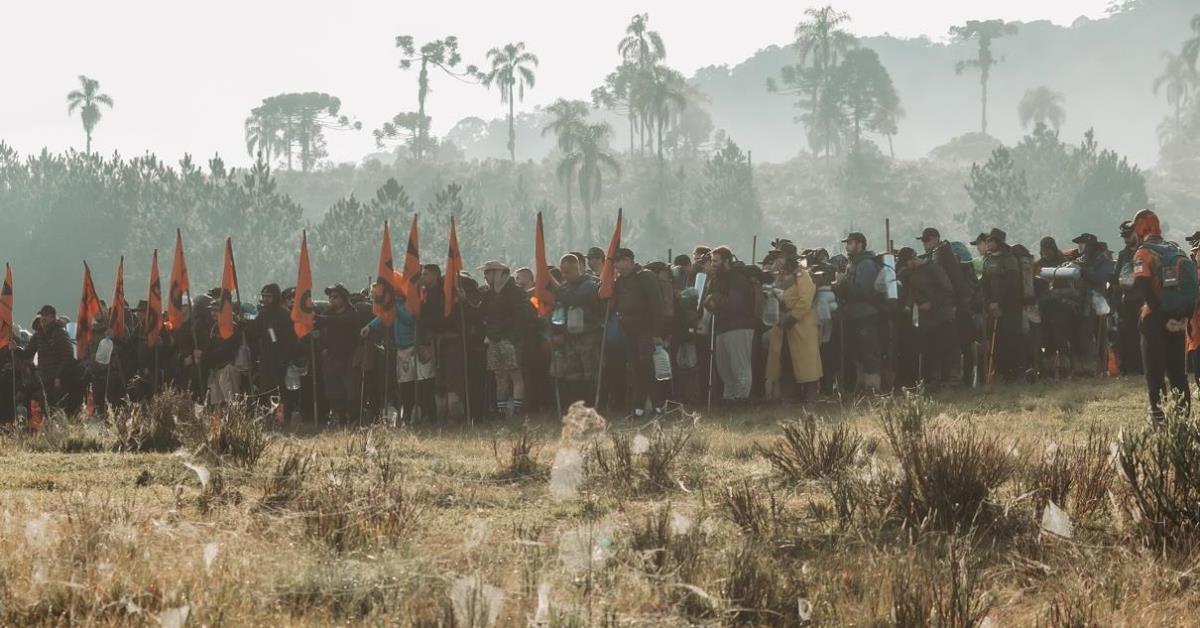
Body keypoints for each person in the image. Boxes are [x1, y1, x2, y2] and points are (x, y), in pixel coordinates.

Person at [1130, 209, 1195, 421]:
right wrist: (1181, 315)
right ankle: (1183, 420)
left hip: (1154, 320)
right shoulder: (1174, 249)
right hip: (1179, 319)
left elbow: (1143, 287)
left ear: (1141, 228)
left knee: (1155, 375)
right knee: (1178, 375)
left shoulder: (1143, 253)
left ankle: (1159, 419)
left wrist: (1160, 314)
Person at [362, 286, 434, 423]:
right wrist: (370, 326)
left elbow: (411, 320)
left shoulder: (411, 302)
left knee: (423, 384)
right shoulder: (392, 305)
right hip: (402, 350)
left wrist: (395, 308)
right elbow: (383, 317)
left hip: (417, 347)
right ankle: (407, 414)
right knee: (405, 385)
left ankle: (426, 415)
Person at [764, 245, 822, 402]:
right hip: (783, 324)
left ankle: (810, 399)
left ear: (789, 258)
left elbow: (805, 300)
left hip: (801, 324)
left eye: (781, 257)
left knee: (807, 364)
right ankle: (788, 399)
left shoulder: (802, 274)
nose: (778, 261)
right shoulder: (781, 277)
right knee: (785, 362)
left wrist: (792, 318)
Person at [613, 248, 665, 415]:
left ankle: (657, 404)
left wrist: (656, 332)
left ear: (628, 260)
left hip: (645, 328)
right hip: (628, 330)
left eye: (618, 261)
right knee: (635, 369)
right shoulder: (619, 281)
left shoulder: (645, 276)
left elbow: (657, 305)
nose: (615, 265)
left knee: (646, 366)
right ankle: (639, 406)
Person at [479, 261, 533, 417]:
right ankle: (501, 411)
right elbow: (480, 313)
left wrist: (512, 338)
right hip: (494, 340)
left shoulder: (515, 292)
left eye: (488, 272)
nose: (485, 276)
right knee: (499, 377)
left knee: (515, 375)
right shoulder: (489, 294)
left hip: (510, 340)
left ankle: (517, 410)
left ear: (499, 273)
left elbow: (522, 317)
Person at [897, 247, 957, 389]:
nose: (906, 267)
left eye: (907, 263)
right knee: (929, 350)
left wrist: (932, 303)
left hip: (941, 315)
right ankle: (932, 381)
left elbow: (948, 291)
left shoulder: (933, 269)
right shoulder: (909, 273)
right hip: (925, 319)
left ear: (912, 259)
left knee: (942, 349)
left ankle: (946, 381)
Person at [704, 245, 757, 403]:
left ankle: (741, 399)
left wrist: (716, 299)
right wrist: (712, 300)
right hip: (722, 327)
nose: (713, 264)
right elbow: (707, 301)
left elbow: (735, 304)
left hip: (739, 326)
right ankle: (729, 398)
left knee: (740, 366)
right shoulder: (715, 280)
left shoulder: (738, 278)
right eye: (712, 261)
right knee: (724, 367)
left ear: (726, 261)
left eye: (716, 261)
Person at [550, 253, 602, 407]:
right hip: (570, 337)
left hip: (588, 336)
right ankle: (575, 407)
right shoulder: (565, 287)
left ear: (576, 268)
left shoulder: (589, 284)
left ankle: (591, 406)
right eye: (562, 271)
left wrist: (554, 284)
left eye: (567, 271)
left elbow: (573, 299)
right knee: (572, 374)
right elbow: (559, 310)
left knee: (589, 373)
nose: (564, 275)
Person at [920, 227, 971, 381]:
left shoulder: (945, 254)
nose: (924, 243)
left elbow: (954, 280)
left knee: (951, 342)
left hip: (948, 306)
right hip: (939, 306)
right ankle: (944, 377)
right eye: (923, 240)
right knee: (941, 342)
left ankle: (954, 376)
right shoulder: (934, 254)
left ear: (936, 239)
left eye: (927, 240)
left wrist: (953, 303)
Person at [835, 232, 882, 393]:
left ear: (859, 244)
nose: (847, 246)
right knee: (857, 353)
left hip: (865, 315)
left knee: (868, 352)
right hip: (854, 315)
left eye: (850, 243)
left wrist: (844, 283)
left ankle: (872, 388)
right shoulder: (854, 263)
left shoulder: (866, 264)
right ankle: (861, 386)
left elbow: (863, 291)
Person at [981, 228, 1025, 383]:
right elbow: (985, 284)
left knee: (1010, 338)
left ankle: (1013, 373)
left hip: (1010, 306)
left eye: (990, 241)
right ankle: (999, 372)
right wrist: (990, 304)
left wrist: (1000, 304)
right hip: (992, 307)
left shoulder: (1010, 259)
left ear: (998, 242)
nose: (987, 243)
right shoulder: (988, 260)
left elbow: (1011, 285)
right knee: (996, 340)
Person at [318, 283, 362, 424]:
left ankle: (353, 420)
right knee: (333, 391)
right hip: (331, 357)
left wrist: (320, 318)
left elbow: (341, 321)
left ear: (343, 298)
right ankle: (339, 418)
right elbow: (320, 332)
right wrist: (323, 347)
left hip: (349, 357)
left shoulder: (352, 313)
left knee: (351, 391)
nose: (332, 300)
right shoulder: (327, 313)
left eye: (335, 297)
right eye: (330, 297)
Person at [252, 283, 296, 413]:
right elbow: (254, 332)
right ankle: (266, 416)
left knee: (281, 392)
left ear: (275, 297)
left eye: (268, 296)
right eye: (263, 296)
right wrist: (245, 326)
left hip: (281, 359)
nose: (265, 299)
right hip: (266, 359)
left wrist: (285, 358)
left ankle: (282, 417)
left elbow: (290, 340)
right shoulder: (263, 314)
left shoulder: (284, 315)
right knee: (265, 390)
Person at [24, 305, 78, 411]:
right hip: (44, 381)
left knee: (58, 411)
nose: (43, 318)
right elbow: (27, 353)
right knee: (46, 411)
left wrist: (59, 376)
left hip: (59, 382)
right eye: (42, 315)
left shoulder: (60, 333)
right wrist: (15, 349)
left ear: (53, 317)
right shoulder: (38, 335)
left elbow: (68, 357)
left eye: (46, 315)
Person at [1113, 221, 1144, 375]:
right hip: (1128, 301)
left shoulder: (1145, 251)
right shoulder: (1123, 254)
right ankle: (1131, 368)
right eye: (1124, 236)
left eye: (1128, 235)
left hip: (1144, 299)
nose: (1126, 239)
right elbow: (1116, 278)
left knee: (1144, 334)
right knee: (1128, 335)